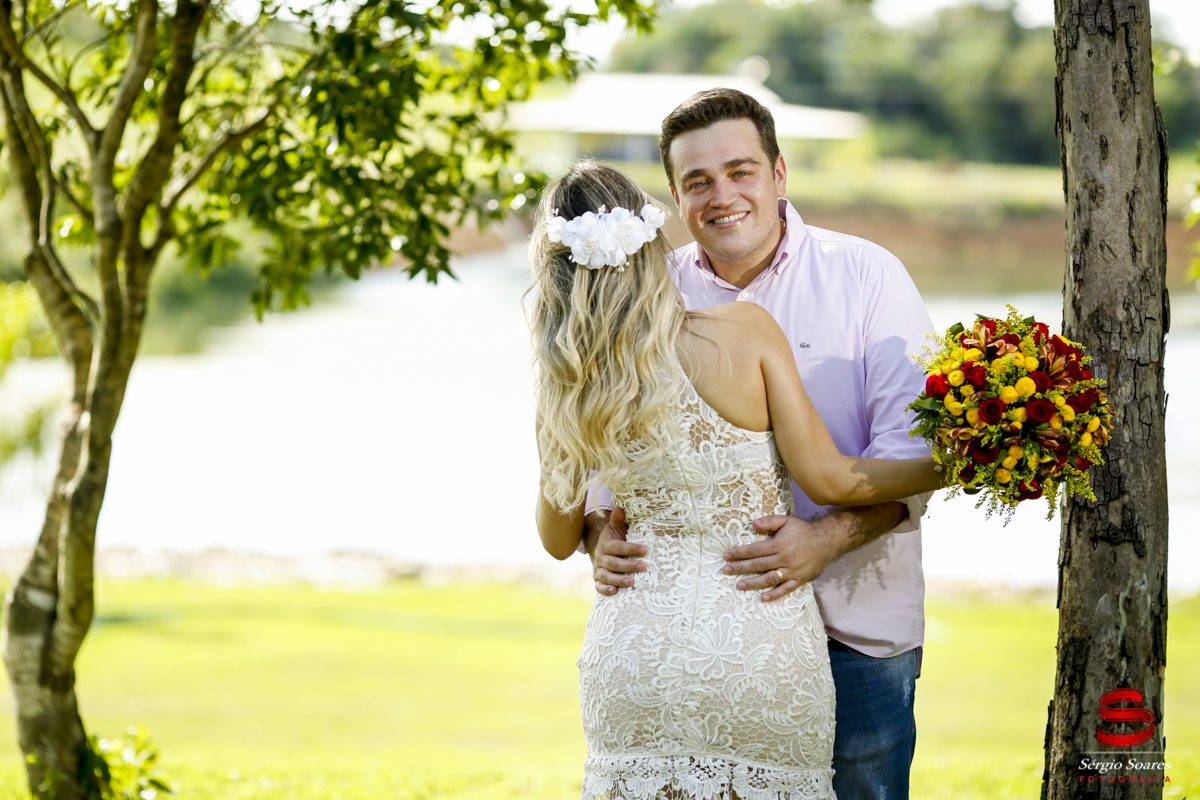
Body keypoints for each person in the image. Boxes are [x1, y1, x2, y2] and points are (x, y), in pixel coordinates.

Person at [530, 160, 944, 799]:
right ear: (650, 236)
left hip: (635, 650)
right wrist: (972, 457)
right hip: (756, 643)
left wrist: (592, 530)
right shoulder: (745, 333)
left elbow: (559, 535)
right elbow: (831, 479)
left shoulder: (567, 378)